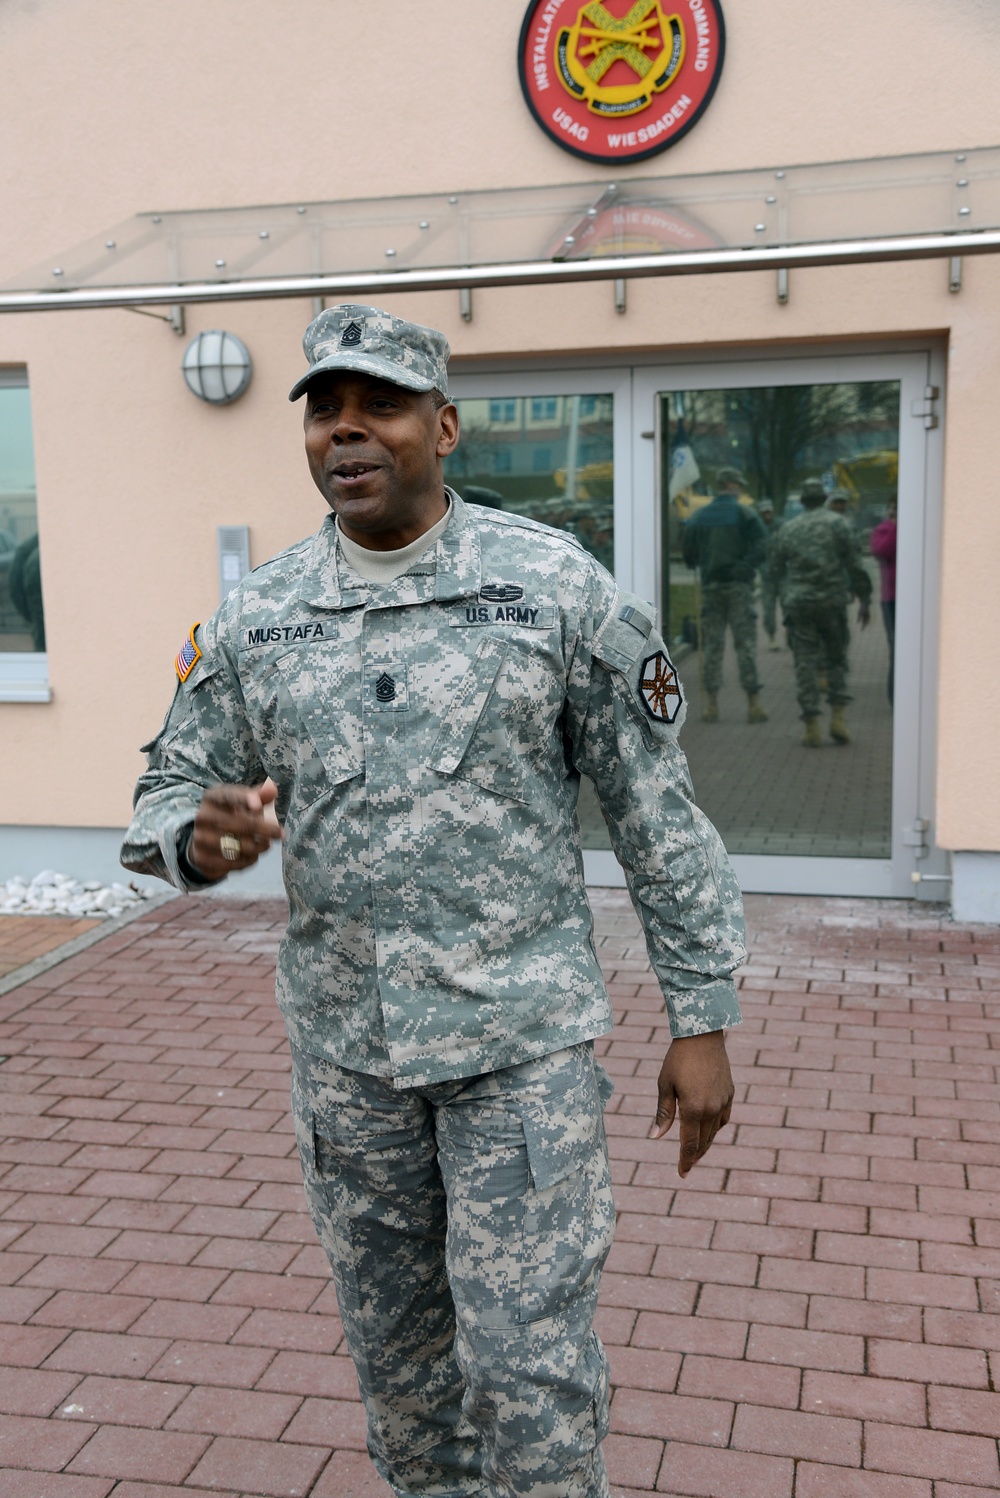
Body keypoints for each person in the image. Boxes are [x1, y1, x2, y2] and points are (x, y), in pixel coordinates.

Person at [120, 304, 745, 1498]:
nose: (345, 431)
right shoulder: (262, 616)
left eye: (381, 406)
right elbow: (163, 793)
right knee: (402, 1374)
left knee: (530, 1370)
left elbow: (656, 809)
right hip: (351, 1066)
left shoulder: (551, 587)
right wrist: (197, 842)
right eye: (323, 411)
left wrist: (700, 1013)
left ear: (444, 425)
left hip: (520, 1056)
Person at [770, 476, 872, 747]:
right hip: (832, 602)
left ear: (802, 501)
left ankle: (811, 724)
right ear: (824, 498)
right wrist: (865, 598)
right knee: (837, 659)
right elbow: (855, 565)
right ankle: (838, 717)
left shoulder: (789, 529)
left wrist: (785, 596)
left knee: (805, 661)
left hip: (800, 603)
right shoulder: (839, 524)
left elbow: (775, 569)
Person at [681, 466, 768, 722]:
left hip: (711, 587)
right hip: (738, 586)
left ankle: (711, 704)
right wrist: (747, 565)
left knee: (712, 646)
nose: (740, 489)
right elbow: (763, 543)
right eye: (739, 485)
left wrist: (696, 560)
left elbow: (688, 549)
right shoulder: (744, 512)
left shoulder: (700, 515)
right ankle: (754, 703)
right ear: (732, 485)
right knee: (746, 645)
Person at [870, 496, 897, 704]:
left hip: (914, 598)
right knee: (896, 647)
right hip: (892, 598)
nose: (895, 511)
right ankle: (895, 697)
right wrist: (895, 527)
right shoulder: (882, 530)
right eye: (892, 508)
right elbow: (882, 552)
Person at [755, 497, 782, 650]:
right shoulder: (757, 529)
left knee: (790, 607)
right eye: (764, 512)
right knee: (768, 610)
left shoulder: (781, 525)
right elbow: (755, 552)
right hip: (767, 577)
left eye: (769, 511)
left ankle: (791, 635)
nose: (767, 514)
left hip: (784, 574)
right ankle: (772, 637)